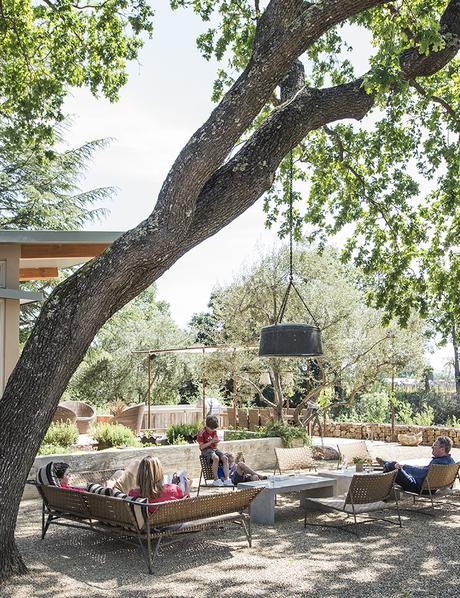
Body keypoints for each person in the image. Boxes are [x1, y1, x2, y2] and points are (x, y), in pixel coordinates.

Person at [376, 436, 455, 493]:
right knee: (395, 467)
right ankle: (386, 465)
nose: (432, 446)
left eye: (435, 445)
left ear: (442, 449)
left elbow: (421, 473)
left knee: (392, 465)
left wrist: (404, 467)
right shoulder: (451, 461)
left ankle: (385, 466)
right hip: (431, 488)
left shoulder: (437, 464)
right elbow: (425, 471)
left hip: (419, 488)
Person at [197, 415, 233, 487]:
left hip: (214, 449)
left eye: (214, 428)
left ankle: (227, 479)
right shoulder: (202, 433)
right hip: (206, 450)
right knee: (216, 458)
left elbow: (215, 446)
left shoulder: (214, 432)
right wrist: (211, 442)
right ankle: (216, 479)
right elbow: (201, 447)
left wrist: (216, 442)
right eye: (211, 428)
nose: (213, 430)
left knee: (225, 458)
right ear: (206, 426)